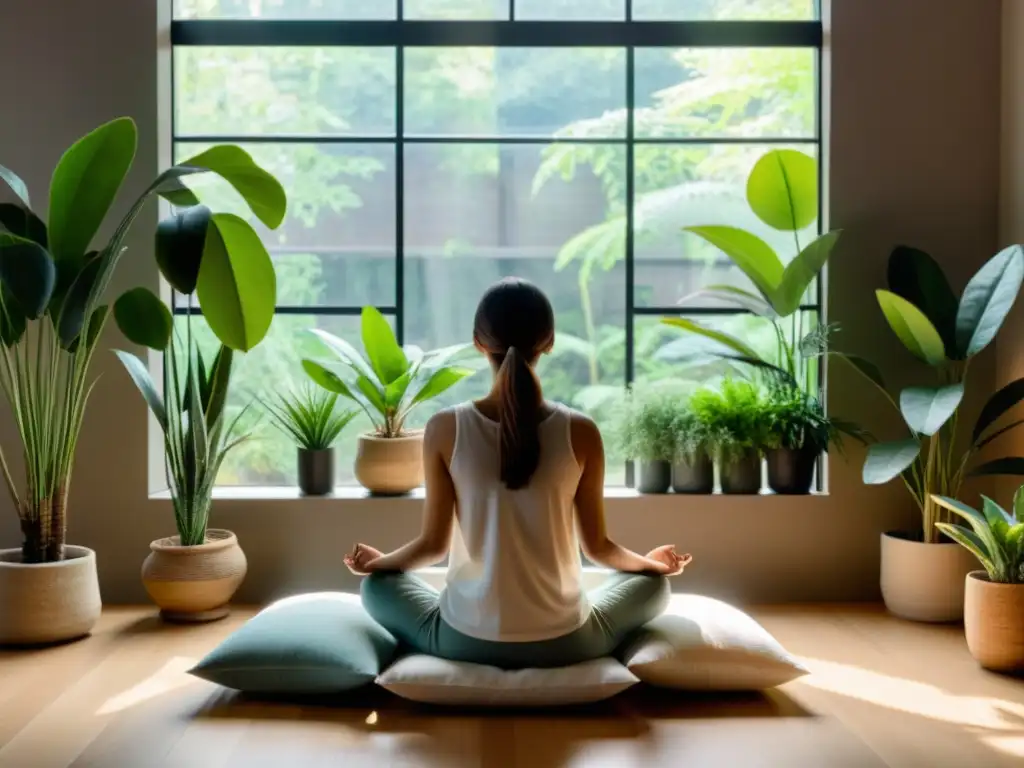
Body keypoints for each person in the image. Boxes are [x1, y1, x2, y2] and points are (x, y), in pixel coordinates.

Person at [345, 277, 691, 669]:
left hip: (464, 640)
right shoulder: (581, 431)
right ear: (549, 343)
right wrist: (654, 565)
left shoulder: (445, 428)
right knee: (652, 586)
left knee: (377, 587)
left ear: (479, 342)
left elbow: (433, 547)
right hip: (567, 642)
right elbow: (598, 549)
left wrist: (379, 564)